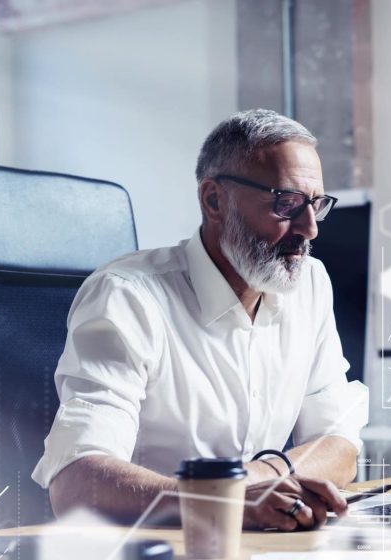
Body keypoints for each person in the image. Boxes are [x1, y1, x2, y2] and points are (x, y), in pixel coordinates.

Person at [31, 109, 369, 531]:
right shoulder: (128, 295)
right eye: (287, 203)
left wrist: (256, 481)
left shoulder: (310, 285)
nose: (310, 229)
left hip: (259, 548)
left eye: (316, 206)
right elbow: (76, 486)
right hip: (147, 559)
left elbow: (339, 444)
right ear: (214, 200)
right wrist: (225, 502)